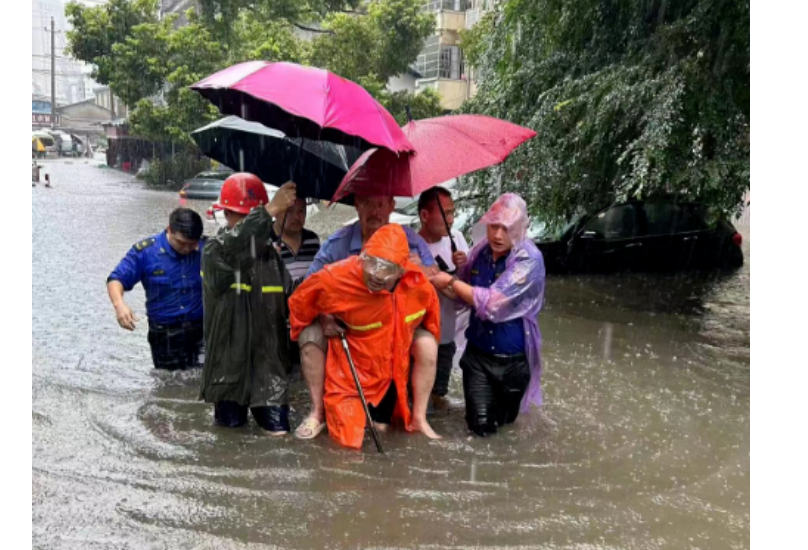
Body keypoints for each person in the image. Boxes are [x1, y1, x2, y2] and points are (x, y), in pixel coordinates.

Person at [294, 195, 437, 440]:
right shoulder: (337, 275)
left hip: (387, 358)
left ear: (402, 271)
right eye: (372, 265)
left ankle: (419, 417)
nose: (377, 276)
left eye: (380, 203)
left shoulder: (416, 282)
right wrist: (323, 317)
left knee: (380, 429)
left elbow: (432, 315)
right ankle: (317, 412)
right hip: (347, 353)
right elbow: (301, 298)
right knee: (347, 440)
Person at [431, 194, 546, 437]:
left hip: (514, 362)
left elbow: (492, 303)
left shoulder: (529, 259)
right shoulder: (480, 252)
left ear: (521, 227)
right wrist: (436, 274)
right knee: (480, 428)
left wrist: (450, 281)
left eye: (506, 228)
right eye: (494, 226)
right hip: (478, 359)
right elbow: (463, 294)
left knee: (504, 430)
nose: (497, 235)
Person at [199, 173, 297, 436]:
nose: (248, 226)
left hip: (270, 373)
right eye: (241, 217)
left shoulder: (272, 258)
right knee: (228, 441)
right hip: (228, 373)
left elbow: (295, 301)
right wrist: (270, 209)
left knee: (279, 441)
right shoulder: (214, 253)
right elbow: (234, 244)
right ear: (227, 216)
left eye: (250, 217)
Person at [107, 208, 205, 371]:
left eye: (192, 244)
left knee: (205, 377)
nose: (187, 249)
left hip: (202, 333)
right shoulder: (146, 252)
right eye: (181, 243)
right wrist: (119, 305)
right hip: (165, 335)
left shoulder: (207, 249)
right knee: (168, 384)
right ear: (169, 230)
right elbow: (116, 279)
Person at [417, 187, 470, 410]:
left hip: (446, 335)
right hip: (416, 337)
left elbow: (469, 289)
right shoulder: (410, 244)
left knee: (438, 397)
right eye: (446, 213)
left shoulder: (456, 238)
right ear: (424, 216)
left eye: (453, 213)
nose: (451, 219)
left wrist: (464, 267)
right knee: (418, 399)